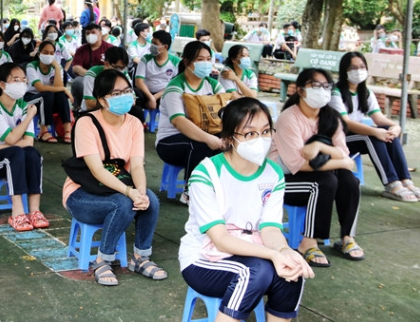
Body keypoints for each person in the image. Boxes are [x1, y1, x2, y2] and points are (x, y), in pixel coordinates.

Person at [180, 97, 314, 322]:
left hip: (252, 253)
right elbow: (220, 240)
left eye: (265, 131)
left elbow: (270, 229)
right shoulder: (207, 173)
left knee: (292, 271)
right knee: (255, 271)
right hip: (202, 259)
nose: (260, 140)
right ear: (230, 138)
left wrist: (284, 251)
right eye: (250, 134)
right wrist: (273, 254)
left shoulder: (273, 173)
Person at [63, 69, 167, 286]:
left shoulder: (134, 123)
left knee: (151, 200)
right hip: (81, 194)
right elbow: (97, 171)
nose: (124, 96)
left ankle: (140, 257)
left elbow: (137, 165)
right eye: (116, 93)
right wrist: (130, 193)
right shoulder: (86, 123)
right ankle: (102, 260)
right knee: (123, 203)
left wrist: (140, 193)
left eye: (127, 91)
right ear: (102, 99)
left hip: (118, 186)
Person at [269, 68, 364, 268]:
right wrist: (343, 162)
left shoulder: (331, 118)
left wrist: (320, 146)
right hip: (282, 179)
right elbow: (299, 164)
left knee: (349, 180)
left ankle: (347, 237)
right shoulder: (289, 118)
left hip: (317, 174)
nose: (322, 90)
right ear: (301, 91)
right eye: (315, 86)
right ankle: (308, 242)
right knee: (325, 182)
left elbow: (342, 150)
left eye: (326, 86)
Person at [331, 52, 419, 202]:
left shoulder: (366, 93)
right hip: (338, 140)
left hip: (357, 137)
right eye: (352, 67)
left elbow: (378, 118)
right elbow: (346, 123)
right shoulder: (335, 92)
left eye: (361, 67)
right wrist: (375, 131)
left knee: (387, 133)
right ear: (344, 70)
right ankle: (392, 184)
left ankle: (405, 180)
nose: (357, 71)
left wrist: (394, 127)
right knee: (373, 136)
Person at [0, 62, 49, 231]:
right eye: (16, 80)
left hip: (4, 153)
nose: (21, 84)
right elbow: (11, 138)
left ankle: (35, 210)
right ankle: (18, 212)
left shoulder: (23, 106)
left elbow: (28, 142)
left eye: (23, 80)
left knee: (32, 153)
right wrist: (30, 117)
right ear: (2, 84)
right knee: (15, 152)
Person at [155, 41, 227, 201]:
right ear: (187, 62)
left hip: (208, 135)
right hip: (170, 142)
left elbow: (226, 112)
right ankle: (191, 192)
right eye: (201, 59)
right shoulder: (175, 87)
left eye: (209, 59)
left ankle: (221, 189)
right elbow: (178, 121)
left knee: (231, 141)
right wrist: (208, 138)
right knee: (200, 144)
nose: (206, 63)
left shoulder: (213, 85)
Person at [24, 40, 73, 144]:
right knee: (47, 94)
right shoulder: (32, 66)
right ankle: (43, 131)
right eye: (45, 52)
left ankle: (67, 130)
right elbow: (40, 88)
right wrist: (64, 88)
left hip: (49, 100)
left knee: (60, 94)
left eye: (52, 53)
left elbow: (58, 87)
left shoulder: (57, 67)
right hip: (31, 99)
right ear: (39, 53)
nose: (49, 55)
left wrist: (56, 68)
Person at [134, 30, 180, 110]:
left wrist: (154, 97)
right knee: (135, 96)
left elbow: (175, 84)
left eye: (155, 44)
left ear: (165, 47)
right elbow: (139, 82)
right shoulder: (145, 59)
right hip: (146, 93)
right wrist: (150, 97)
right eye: (151, 43)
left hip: (164, 93)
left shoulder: (176, 62)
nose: (151, 46)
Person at [70, 23, 113, 109]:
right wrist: (91, 75)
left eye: (93, 32)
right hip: (85, 77)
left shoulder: (110, 48)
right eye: (87, 33)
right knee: (77, 82)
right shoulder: (81, 50)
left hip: (105, 77)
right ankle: (78, 107)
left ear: (100, 33)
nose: (90, 35)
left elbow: (114, 66)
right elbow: (76, 67)